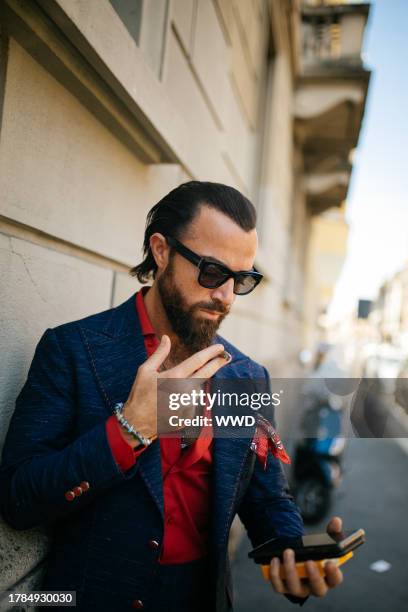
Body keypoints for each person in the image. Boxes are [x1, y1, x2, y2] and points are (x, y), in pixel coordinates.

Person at [0, 181, 344, 611]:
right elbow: (18, 498)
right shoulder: (74, 351)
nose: (224, 296)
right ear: (161, 251)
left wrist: (292, 556)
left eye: (242, 279)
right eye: (213, 272)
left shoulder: (243, 377)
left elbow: (266, 497)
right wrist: (128, 430)